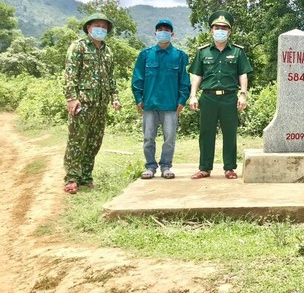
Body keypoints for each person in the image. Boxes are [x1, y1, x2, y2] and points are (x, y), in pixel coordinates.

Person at [188, 10, 253, 179]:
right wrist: (193, 95)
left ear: (229, 31)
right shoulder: (203, 52)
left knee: (230, 133)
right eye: (217, 27)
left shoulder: (238, 52)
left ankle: (230, 168)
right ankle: (204, 168)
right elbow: (197, 75)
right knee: (206, 132)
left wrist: (243, 95)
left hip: (229, 97)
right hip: (208, 97)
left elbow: (243, 75)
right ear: (211, 30)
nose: (220, 30)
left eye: (224, 27)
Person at [62, 12, 121, 194]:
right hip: (82, 104)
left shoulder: (108, 51)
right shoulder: (78, 47)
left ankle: (86, 176)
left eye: (104, 27)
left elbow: (111, 77)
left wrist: (115, 97)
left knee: (94, 141)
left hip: (100, 105)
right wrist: (71, 98)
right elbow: (70, 74)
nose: (100, 30)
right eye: (97, 26)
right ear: (88, 27)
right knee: (77, 140)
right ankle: (72, 178)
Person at [131, 19, 191, 180]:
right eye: (160, 29)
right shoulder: (145, 55)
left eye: (166, 30)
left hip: (171, 105)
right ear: (155, 33)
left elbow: (184, 80)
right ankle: (150, 167)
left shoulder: (180, 56)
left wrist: (182, 100)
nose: (163, 32)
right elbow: (138, 79)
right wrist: (138, 99)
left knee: (170, 138)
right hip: (149, 105)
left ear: (172, 34)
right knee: (148, 138)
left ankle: (166, 166)